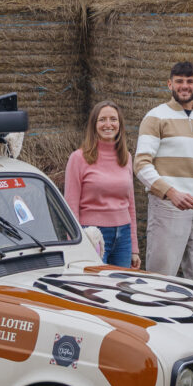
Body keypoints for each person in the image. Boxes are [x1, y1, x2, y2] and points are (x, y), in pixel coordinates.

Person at [133, 61, 193, 284]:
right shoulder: (155, 117)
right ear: (170, 84)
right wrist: (170, 192)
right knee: (160, 280)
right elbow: (141, 164)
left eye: (189, 82)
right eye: (179, 82)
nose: (184, 86)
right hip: (167, 206)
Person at [65, 100, 140, 268]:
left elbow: (131, 205)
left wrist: (134, 248)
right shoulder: (78, 158)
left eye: (113, 119)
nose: (108, 124)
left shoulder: (126, 157)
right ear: (94, 125)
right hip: (92, 234)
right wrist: (75, 245)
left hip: (123, 236)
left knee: (122, 287)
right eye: (102, 120)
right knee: (94, 289)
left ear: (120, 124)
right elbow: (71, 205)